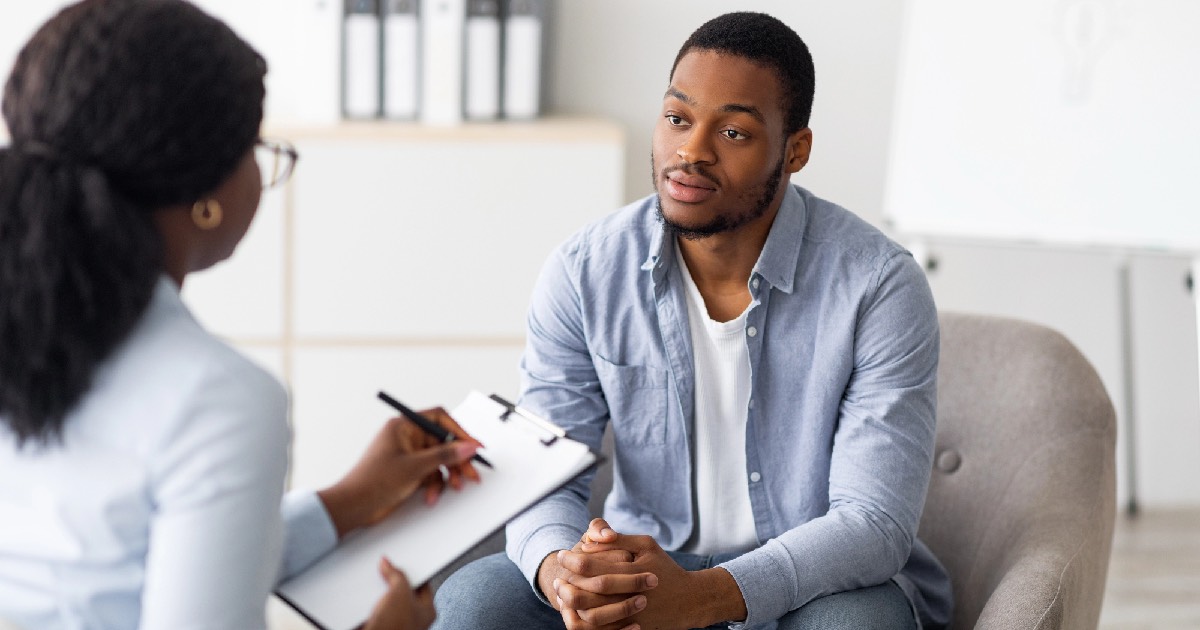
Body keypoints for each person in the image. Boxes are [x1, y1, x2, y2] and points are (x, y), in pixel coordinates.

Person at [433, 11, 953, 630]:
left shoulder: (879, 285)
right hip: (643, 569)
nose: (691, 151)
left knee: (861, 626)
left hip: (808, 581)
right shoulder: (584, 271)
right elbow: (544, 473)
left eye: (733, 132)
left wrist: (705, 595)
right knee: (473, 602)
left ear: (795, 150)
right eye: (678, 118)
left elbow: (872, 523)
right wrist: (561, 571)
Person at [0, 1, 482, 628]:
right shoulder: (216, 398)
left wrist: (353, 500)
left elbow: (140, 567)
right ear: (205, 198)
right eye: (256, 144)